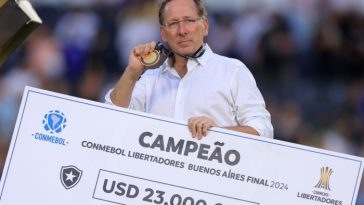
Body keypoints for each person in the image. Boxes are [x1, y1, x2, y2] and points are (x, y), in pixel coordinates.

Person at [105, 0, 273, 139]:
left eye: (189, 21)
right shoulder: (150, 79)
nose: (182, 31)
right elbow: (111, 116)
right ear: (163, 33)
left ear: (205, 26)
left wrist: (217, 133)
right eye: (173, 23)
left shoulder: (232, 70)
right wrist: (132, 72)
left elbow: (262, 130)